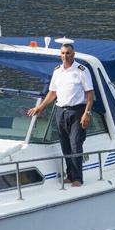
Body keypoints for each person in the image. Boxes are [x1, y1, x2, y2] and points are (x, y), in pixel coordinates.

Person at [27, 39, 94, 186]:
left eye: (68, 53)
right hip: (60, 111)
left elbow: (90, 94)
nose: (65, 56)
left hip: (77, 111)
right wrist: (40, 107)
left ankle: (77, 178)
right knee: (65, 146)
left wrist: (87, 113)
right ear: (60, 55)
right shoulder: (57, 71)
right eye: (63, 53)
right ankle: (70, 175)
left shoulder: (81, 70)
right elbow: (53, 92)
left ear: (73, 54)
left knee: (75, 145)